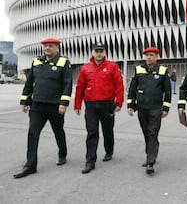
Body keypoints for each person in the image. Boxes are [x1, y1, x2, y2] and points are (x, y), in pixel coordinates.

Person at [14, 38, 72, 178]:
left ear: (57, 48)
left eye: (50, 46)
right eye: (45, 46)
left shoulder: (64, 62)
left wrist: (63, 103)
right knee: (33, 133)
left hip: (55, 106)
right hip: (37, 105)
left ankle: (62, 153)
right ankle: (30, 165)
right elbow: (29, 83)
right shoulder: (37, 61)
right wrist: (24, 101)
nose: (47, 48)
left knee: (58, 131)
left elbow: (67, 84)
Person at [74, 42, 124, 174]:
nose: (99, 53)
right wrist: (77, 104)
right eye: (96, 51)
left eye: (101, 51)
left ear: (105, 53)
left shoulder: (112, 67)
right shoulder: (85, 68)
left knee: (108, 131)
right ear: (92, 52)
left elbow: (119, 85)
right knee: (92, 132)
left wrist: (119, 102)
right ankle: (90, 161)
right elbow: (80, 87)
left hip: (107, 105)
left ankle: (109, 150)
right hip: (90, 105)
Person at [127, 47, 171, 175]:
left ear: (157, 57)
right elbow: (132, 89)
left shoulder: (163, 71)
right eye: (147, 55)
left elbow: (167, 91)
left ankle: (150, 162)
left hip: (156, 108)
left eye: (151, 55)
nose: (149, 57)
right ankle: (150, 154)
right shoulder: (139, 69)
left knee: (152, 133)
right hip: (141, 107)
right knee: (146, 133)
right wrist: (130, 105)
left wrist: (166, 108)